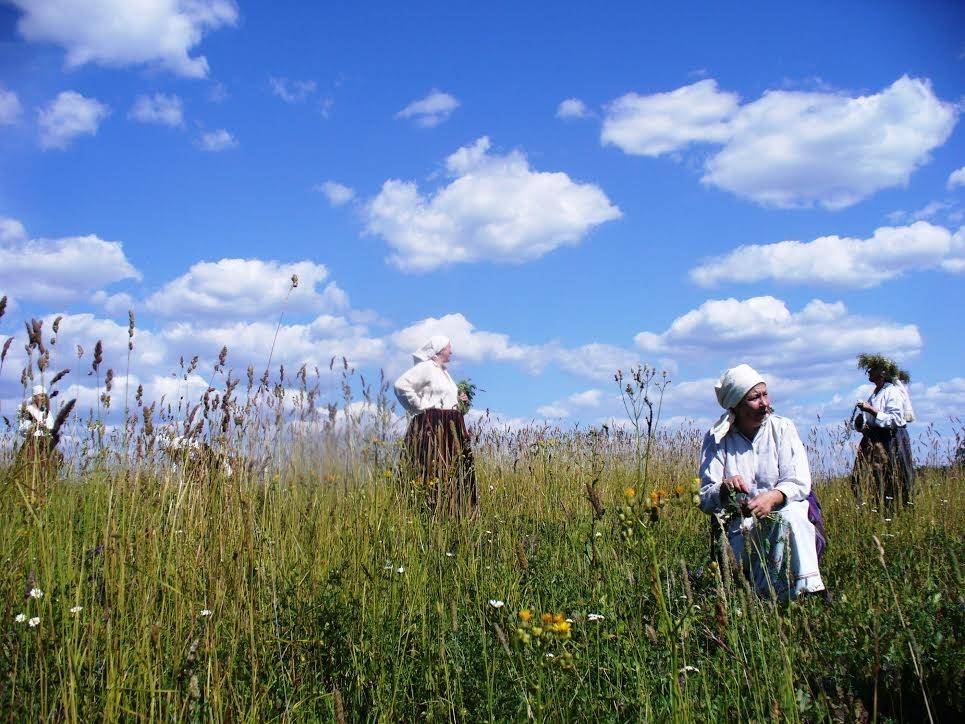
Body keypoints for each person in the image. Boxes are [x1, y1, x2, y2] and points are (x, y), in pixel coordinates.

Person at [698, 364, 827, 603]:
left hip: (783, 511)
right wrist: (724, 488)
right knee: (748, 540)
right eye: (754, 398)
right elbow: (705, 499)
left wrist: (772, 497)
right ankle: (770, 598)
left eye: (765, 394)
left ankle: (809, 592)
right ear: (735, 405)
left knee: (789, 516)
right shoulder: (717, 438)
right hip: (742, 526)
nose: (764, 403)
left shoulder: (782, 428)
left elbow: (799, 482)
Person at [394, 336, 477, 516]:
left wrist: (459, 400)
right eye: (449, 348)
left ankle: (454, 512)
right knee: (433, 466)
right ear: (439, 350)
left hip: (451, 425)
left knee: (454, 468)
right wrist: (420, 406)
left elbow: (444, 398)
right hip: (433, 423)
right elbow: (401, 385)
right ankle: (428, 511)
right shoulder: (426, 368)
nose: (452, 351)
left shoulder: (444, 372)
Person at [851, 354, 915, 505]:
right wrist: (861, 422)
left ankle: (895, 507)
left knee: (891, 476)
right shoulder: (875, 393)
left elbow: (894, 419)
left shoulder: (892, 392)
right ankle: (872, 506)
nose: (869, 373)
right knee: (864, 477)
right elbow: (871, 420)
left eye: (871, 370)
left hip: (890, 440)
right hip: (874, 438)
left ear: (881, 374)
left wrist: (870, 409)